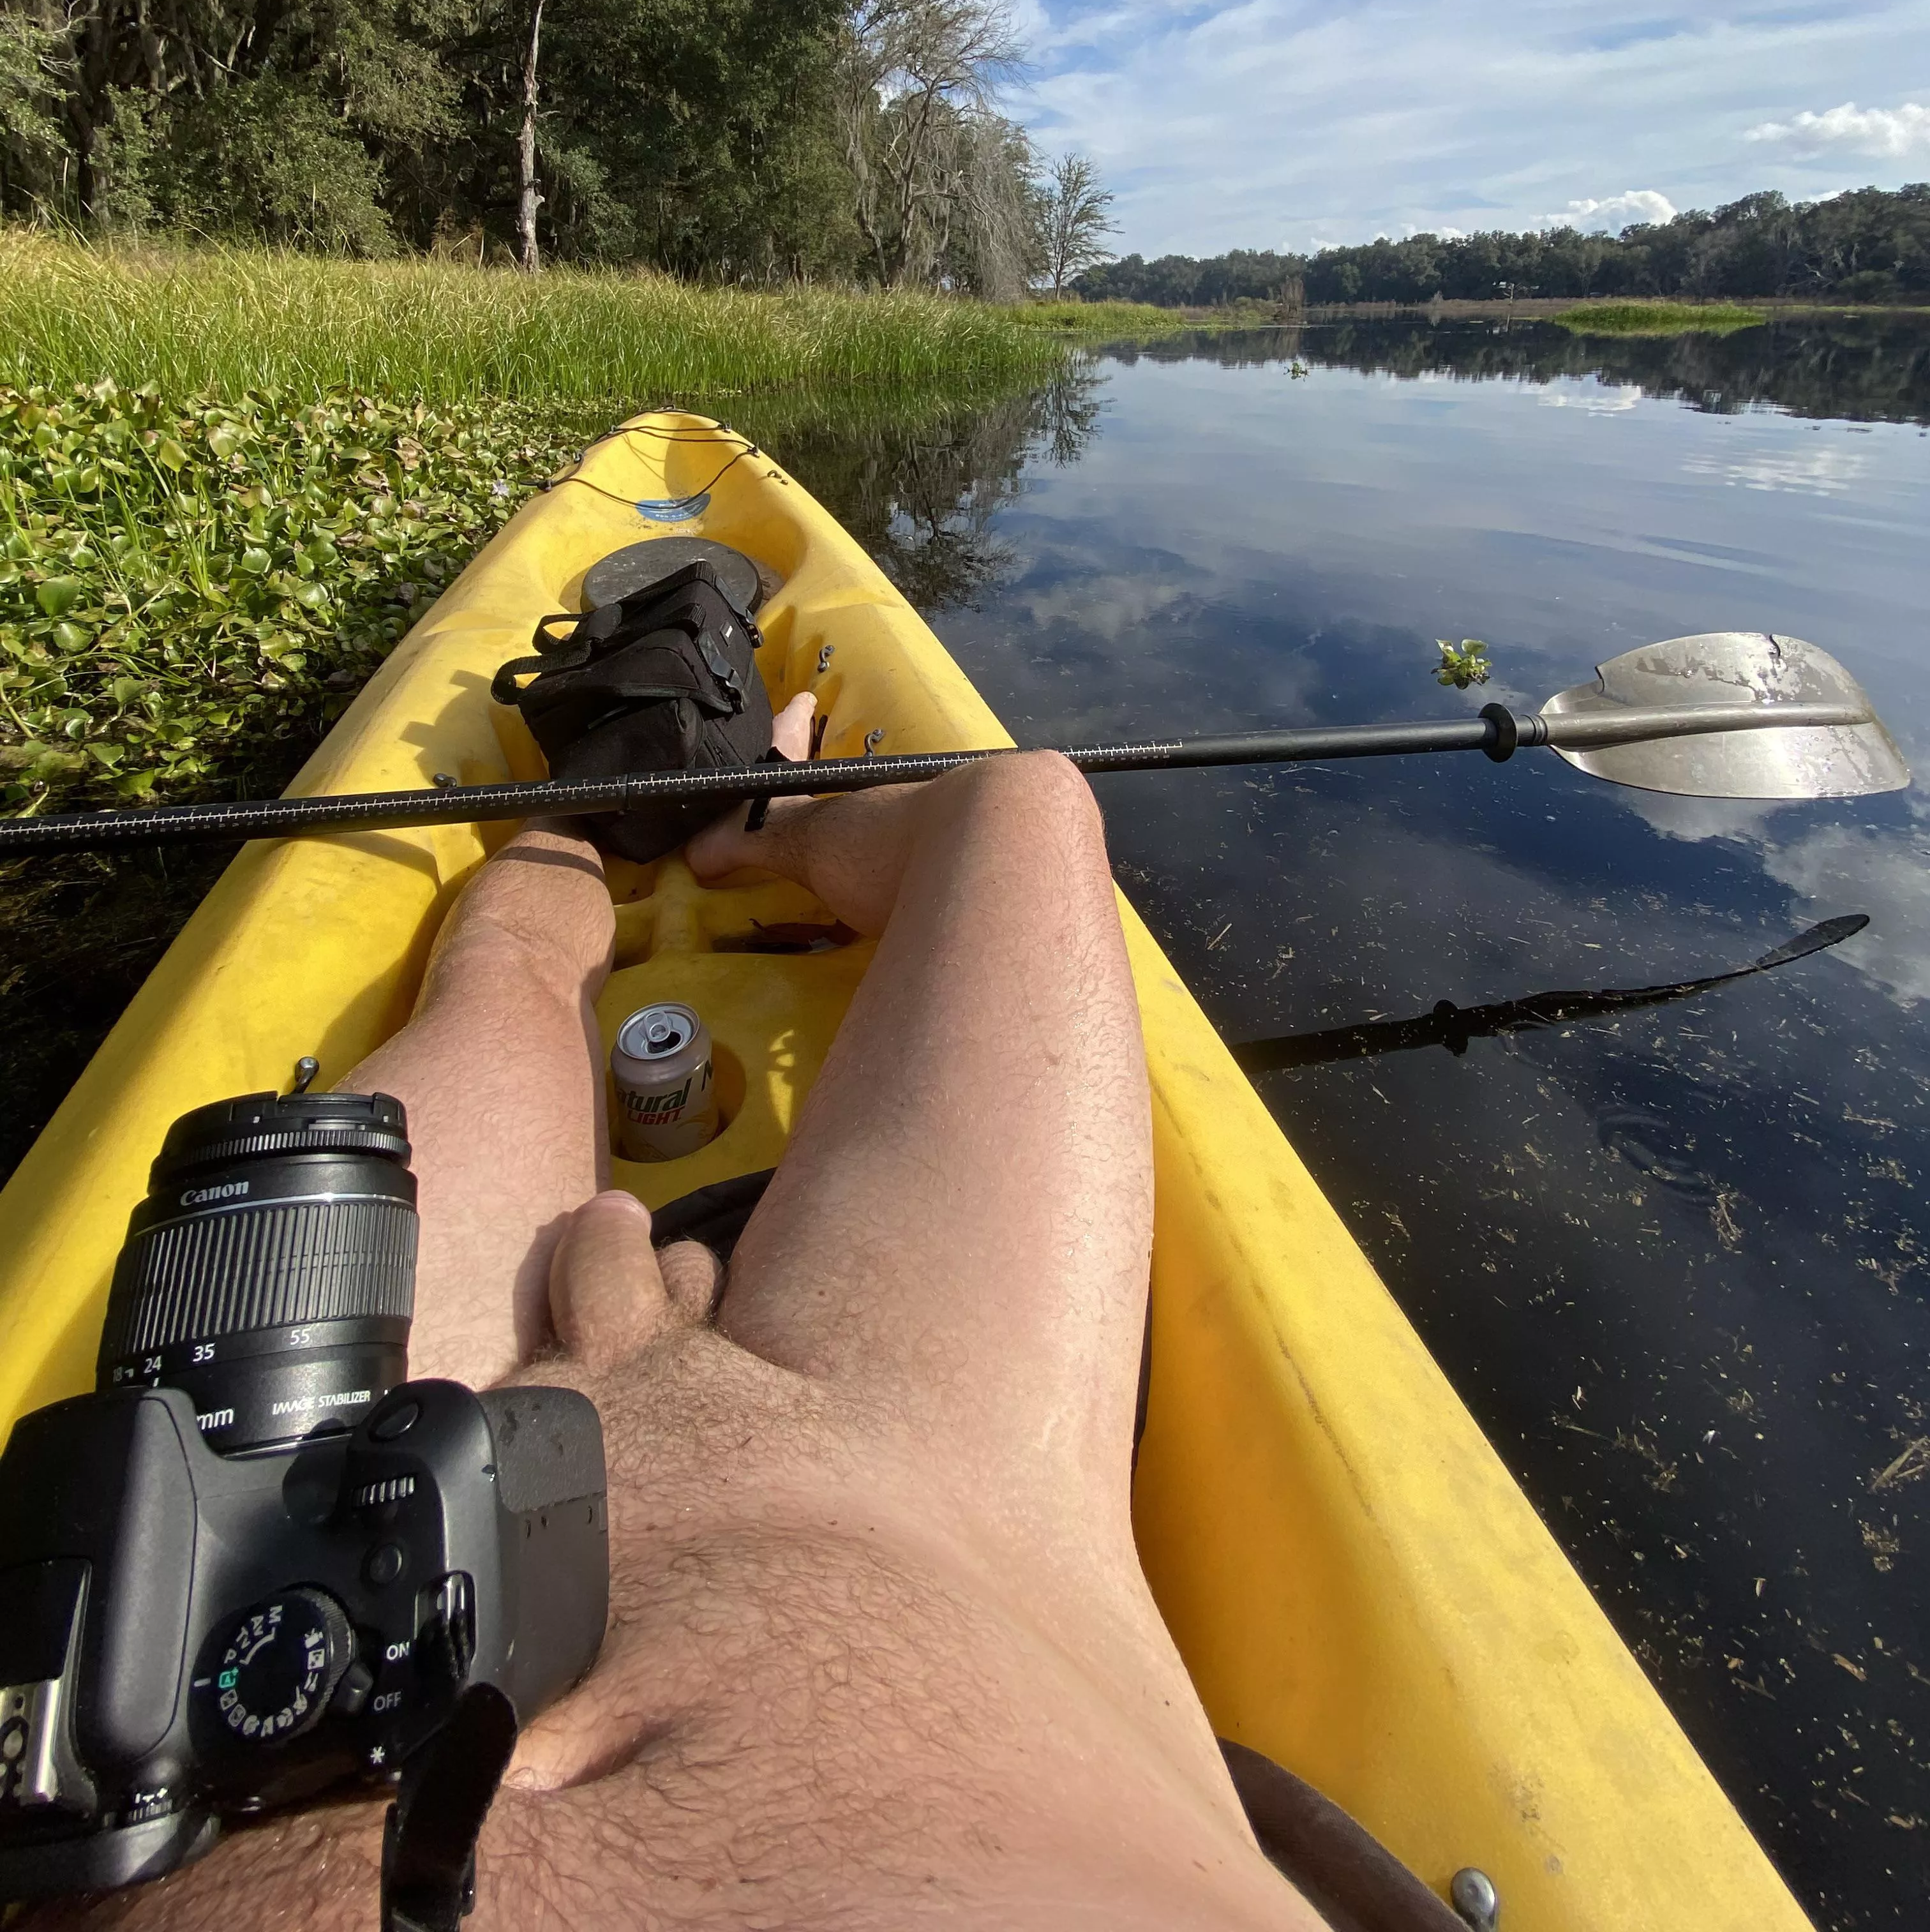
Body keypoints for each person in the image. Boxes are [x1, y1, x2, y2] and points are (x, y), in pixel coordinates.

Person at [66, 695, 1323, 1930]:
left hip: (304, 1537)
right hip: (956, 1531)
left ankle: (596, 821)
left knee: (508, 974)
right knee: (1024, 807)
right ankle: (745, 819)